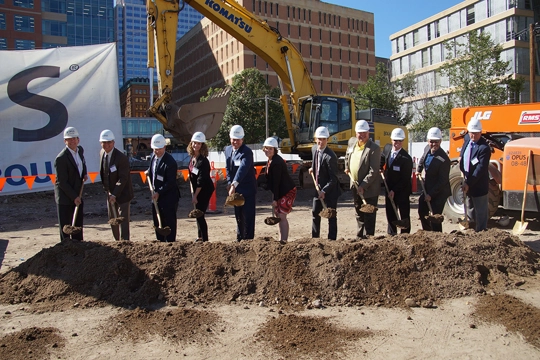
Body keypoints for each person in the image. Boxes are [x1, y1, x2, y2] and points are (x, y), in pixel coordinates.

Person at [344, 120, 381, 239]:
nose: (362, 135)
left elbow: (373, 170)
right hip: (355, 185)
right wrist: (346, 166)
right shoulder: (352, 142)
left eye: (364, 133)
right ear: (356, 133)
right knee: (359, 212)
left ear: (368, 133)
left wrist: (363, 185)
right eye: (360, 133)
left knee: (369, 214)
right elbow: (347, 156)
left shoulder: (374, 148)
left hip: (369, 188)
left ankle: (369, 238)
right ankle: (360, 236)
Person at [54, 126, 88, 241]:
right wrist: (74, 197)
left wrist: (84, 173)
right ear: (65, 141)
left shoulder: (80, 150)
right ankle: (66, 251)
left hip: (77, 192)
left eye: (74, 138)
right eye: (69, 139)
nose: (72, 141)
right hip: (65, 198)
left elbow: (82, 163)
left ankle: (79, 248)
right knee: (66, 228)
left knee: (77, 226)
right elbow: (62, 182)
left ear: (78, 140)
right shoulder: (61, 158)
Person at [99, 129, 134, 241]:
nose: (106, 145)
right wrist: (109, 192)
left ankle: (125, 242)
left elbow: (123, 178)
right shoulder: (102, 153)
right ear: (101, 143)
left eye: (109, 142)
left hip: (123, 193)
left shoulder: (121, 158)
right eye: (104, 142)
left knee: (123, 219)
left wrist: (115, 194)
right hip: (110, 193)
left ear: (113, 143)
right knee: (112, 218)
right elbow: (104, 173)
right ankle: (116, 240)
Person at [225, 125, 257, 242]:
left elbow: (242, 169)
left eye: (238, 140)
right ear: (230, 138)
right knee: (238, 216)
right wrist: (229, 182)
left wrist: (234, 184)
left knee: (248, 217)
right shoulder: (227, 150)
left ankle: (248, 241)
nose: (235, 142)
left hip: (247, 190)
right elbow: (228, 168)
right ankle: (239, 239)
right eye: (233, 139)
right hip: (236, 191)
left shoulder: (247, 152)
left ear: (242, 139)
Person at [262, 137, 297, 244]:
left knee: (281, 215)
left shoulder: (276, 162)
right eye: (266, 148)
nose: (268, 151)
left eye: (270, 149)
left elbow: (276, 181)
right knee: (278, 215)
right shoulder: (270, 160)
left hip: (287, 191)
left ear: (275, 150)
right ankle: (281, 239)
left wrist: (275, 199)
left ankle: (284, 240)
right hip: (280, 190)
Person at [416, 127, 451, 232]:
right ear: (428, 141)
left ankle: (437, 236)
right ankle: (427, 233)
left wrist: (431, 194)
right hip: (428, 186)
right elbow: (422, 159)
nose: (434, 144)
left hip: (440, 191)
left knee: (435, 216)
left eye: (436, 142)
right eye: (431, 141)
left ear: (440, 141)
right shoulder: (427, 148)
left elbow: (442, 181)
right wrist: (419, 169)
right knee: (422, 209)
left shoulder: (443, 159)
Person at [459, 119, 491, 231]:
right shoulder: (467, 139)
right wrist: (460, 158)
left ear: (480, 132)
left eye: (476, 133)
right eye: (471, 133)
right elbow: (463, 152)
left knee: (481, 212)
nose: (473, 135)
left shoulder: (484, 148)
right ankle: (472, 231)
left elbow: (480, 169)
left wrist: (469, 183)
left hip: (478, 184)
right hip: (467, 180)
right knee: (470, 208)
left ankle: (481, 232)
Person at [310, 126, 341, 240]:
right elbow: (316, 163)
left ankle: (332, 240)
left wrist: (324, 191)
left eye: (323, 139)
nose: (321, 141)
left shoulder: (331, 157)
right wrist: (313, 169)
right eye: (319, 139)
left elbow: (333, 178)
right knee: (315, 213)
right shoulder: (314, 149)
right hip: (318, 188)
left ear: (327, 140)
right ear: (315, 139)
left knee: (331, 215)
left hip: (330, 190)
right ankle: (315, 238)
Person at [147, 134, 180, 242]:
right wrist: (148, 172)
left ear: (164, 147)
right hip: (156, 196)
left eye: (159, 149)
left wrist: (159, 192)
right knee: (157, 220)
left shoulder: (170, 162)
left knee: (169, 222)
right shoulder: (153, 157)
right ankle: (160, 242)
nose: (157, 151)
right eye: (155, 149)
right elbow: (152, 170)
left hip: (168, 197)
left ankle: (170, 243)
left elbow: (170, 182)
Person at [380, 128, 413, 235]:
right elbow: (382, 157)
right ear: (391, 140)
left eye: (400, 141)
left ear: (403, 141)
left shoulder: (406, 159)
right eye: (395, 140)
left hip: (402, 190)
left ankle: (405, 235)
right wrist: (380, 167)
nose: (397, 143)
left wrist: (394, 190)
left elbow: (405, 179)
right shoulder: (387, 148)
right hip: (388, 187)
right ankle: (391, 234)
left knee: (404, 215)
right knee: (390, 214)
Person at [187, 131, 214, 242]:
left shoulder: (203, 161)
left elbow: (201, 180)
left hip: (204, 190)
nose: (196, 145)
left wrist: (195, 196)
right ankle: (200, 236)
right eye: (194, 143)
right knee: (197, 212)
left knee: (200, 214)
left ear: (202, 145)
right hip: (197, 189)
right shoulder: (193, 158)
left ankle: (205, 240)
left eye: (199, 144)